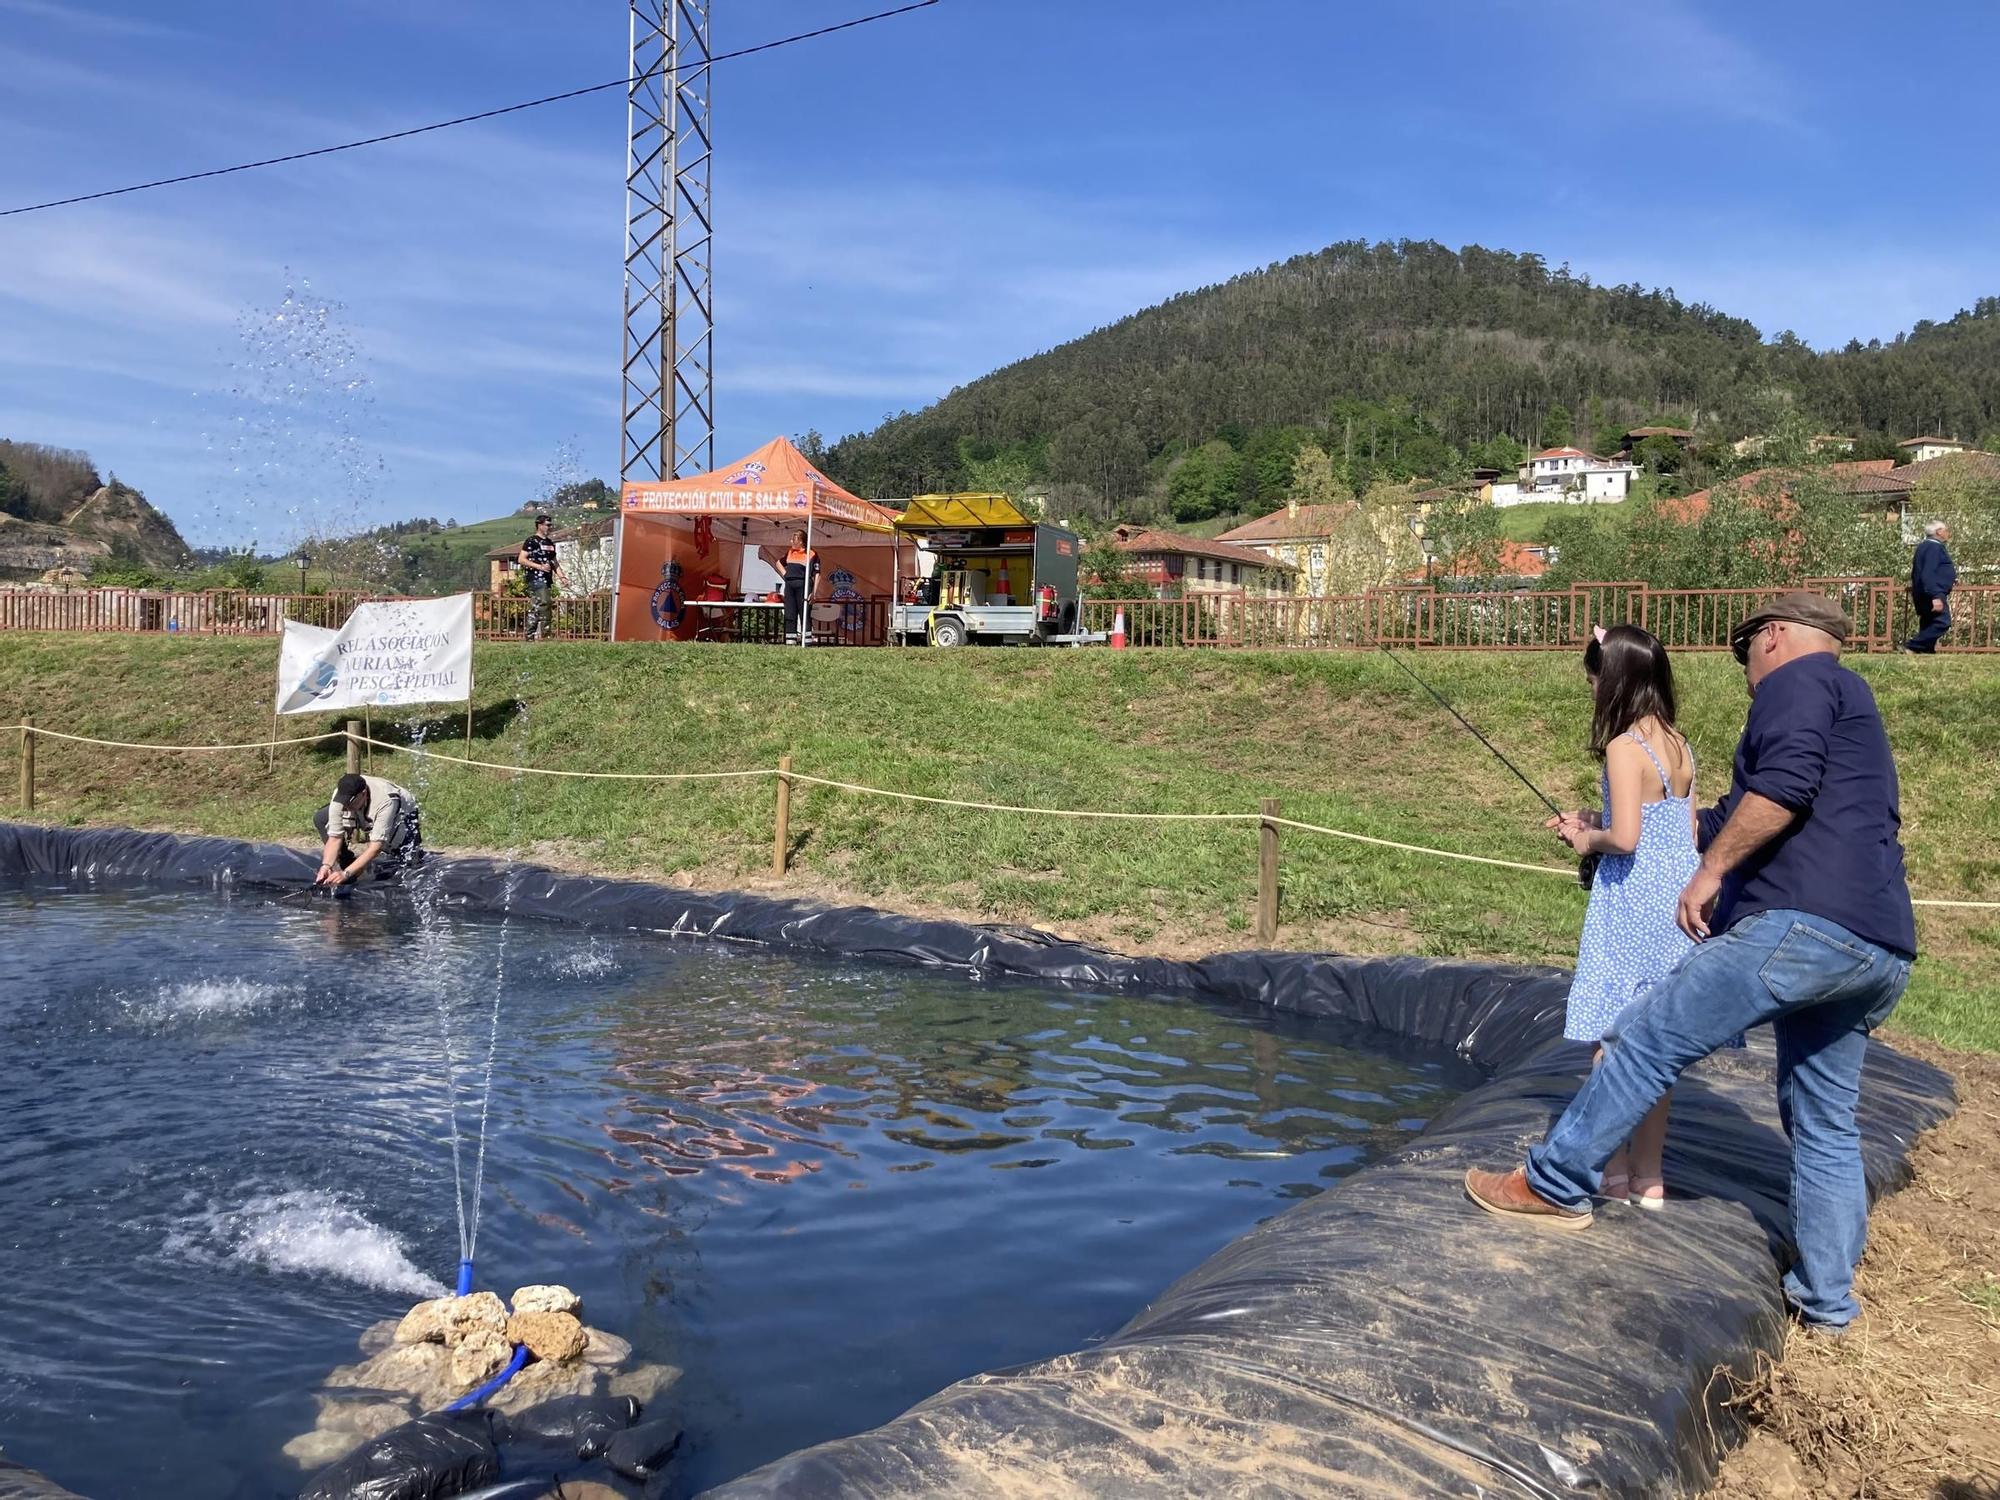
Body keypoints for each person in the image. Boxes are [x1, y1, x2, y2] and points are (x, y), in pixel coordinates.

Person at [1465, 592, 1915, 1333]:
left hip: (1800, 926)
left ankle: (1552, 1183)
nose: (1747, 670)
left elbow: (1782, 790)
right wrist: (1609, 825)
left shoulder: (1799, 682)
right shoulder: (1852, 701)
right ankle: (1828, 1308)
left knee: (1644, 1035)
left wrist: (1708, 875)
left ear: (1773, 637)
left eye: (1745, 653)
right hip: (1878, 944)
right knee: (1825, 1121)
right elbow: (1724, 811)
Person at [1545, 624, 1711, 1211]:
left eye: (1594, 678)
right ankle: (1650, 1178)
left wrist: (1585, 839)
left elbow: (1626, 836)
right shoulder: (1678, 743)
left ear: (1613, 679)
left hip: (1630, 905)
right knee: (1652, 1046)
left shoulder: (1622, 746)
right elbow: (1678, 825)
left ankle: (1609, 1172)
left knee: (1610, 1042)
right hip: (1672, 906)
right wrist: (1591, 814)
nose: (1591, 689)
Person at [314, 772, 424, 885]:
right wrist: (326, 865)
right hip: (365, 806)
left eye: (349, 803)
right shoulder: (340, 797)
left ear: (363, 794)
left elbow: (375, 847)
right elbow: (335, 838)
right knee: (321, 818)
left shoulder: (386, 801)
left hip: (402, 811)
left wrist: (345, 874)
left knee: (410, 861)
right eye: (343, 803)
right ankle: (348, 863)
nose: (345, 807)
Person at [1903, 521, 1956, 654]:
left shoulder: (1924, 547)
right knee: (1942, 622)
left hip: (1924, 592)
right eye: (1946, 530)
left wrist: (1949, 578)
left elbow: (1929, 571)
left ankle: (1926, 651)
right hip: (1932, 593)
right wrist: (1936, 595)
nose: (1948, 533)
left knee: (1928, 622)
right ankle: (1912, 645)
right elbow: (1928, 573)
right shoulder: (1934, 548)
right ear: (1938, 532)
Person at [518, 514, 568, 641]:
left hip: (547, 579)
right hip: (535, 578)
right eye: (548, 525)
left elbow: (554, 562)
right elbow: (521, 559)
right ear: (540, 525)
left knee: (537, 606)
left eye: (551, 525)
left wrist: (562, 577)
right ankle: (546, 634)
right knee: (545, 602)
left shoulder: (550, 543)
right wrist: (539, 567)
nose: (550, 527)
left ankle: (529, 636)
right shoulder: (531, 541)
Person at [781, 528, 819, 643]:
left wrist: (814, 593)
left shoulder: (811, 554)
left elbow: (817, 574)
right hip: (790, 586)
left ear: (801, 542)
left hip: (804, 585)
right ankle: (790, 641)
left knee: (804, 613)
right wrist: (785, 574)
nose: (791, 541)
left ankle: (806, 641)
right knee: (790, 613)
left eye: (794, 540)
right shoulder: (790, 552)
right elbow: (779, 563)